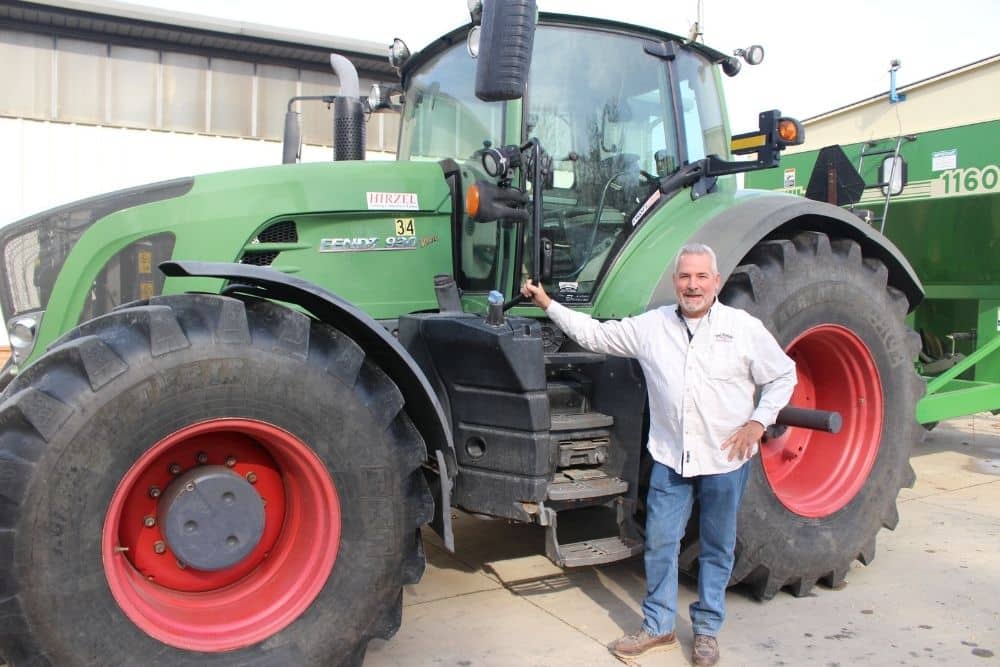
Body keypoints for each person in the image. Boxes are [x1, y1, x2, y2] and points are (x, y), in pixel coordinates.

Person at [520, 242, 796, 666]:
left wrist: (759, 422)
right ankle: (658, 626)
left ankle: (706, 630)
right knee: (661, 543)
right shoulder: (652, 327)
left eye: (702, 276)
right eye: (685, 277)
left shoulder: (743, 329)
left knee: (718, 546)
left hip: (725, 460)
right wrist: (548, 303)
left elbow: (783, 375)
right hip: (671, 458)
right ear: (675, 282)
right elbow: (596, 334)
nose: (693, 285)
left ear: (716, 282)